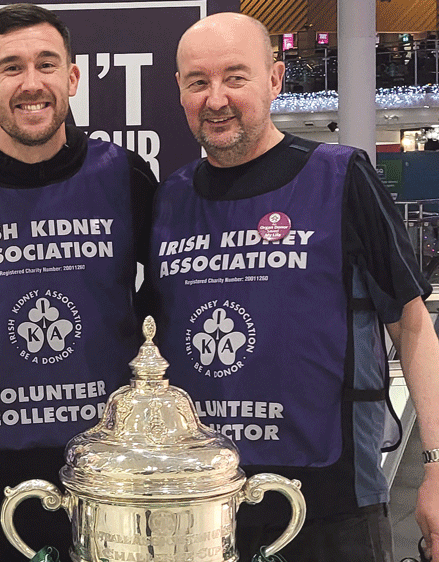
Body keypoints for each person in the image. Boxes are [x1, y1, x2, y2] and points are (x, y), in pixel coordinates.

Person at [147, 12, 439, 562]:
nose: (216, 99)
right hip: (201, 503)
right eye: (198, 81)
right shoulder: (169, 200)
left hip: (331, 502)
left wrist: (437, 467)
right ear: (180, 91)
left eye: (236, 77)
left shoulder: (340, 176)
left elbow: (414, 325)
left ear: (275, 80)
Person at [0, 4, 158, 559]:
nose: (31, 83)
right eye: (10, 67)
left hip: (105, 468)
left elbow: (165, 302)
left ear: (73, 77)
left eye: (46, 64)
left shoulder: (124, 173)